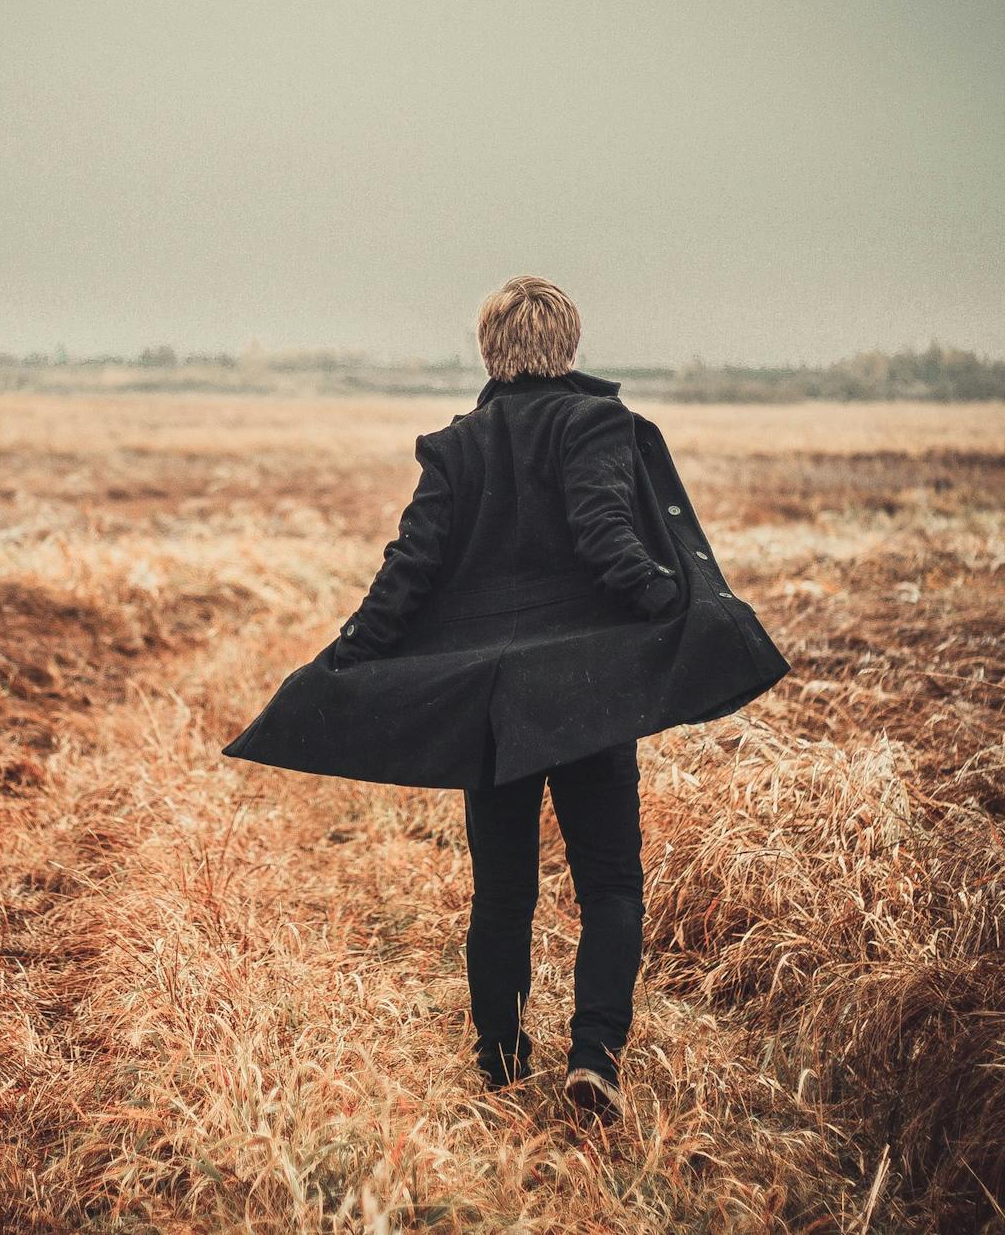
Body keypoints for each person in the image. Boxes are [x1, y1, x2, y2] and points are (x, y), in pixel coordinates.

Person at [221, 274, 790, 1123]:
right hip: (588, 697)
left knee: (503, 892)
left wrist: (347, 652)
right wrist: (672, 603)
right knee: (610, 885)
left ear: (490, 348)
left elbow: (407, 573)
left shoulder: (460, 444)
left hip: (491, 709)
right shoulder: (596, 423)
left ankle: (500, 1068)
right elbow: (606, 536)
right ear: (568, 345)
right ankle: (595, 1056)